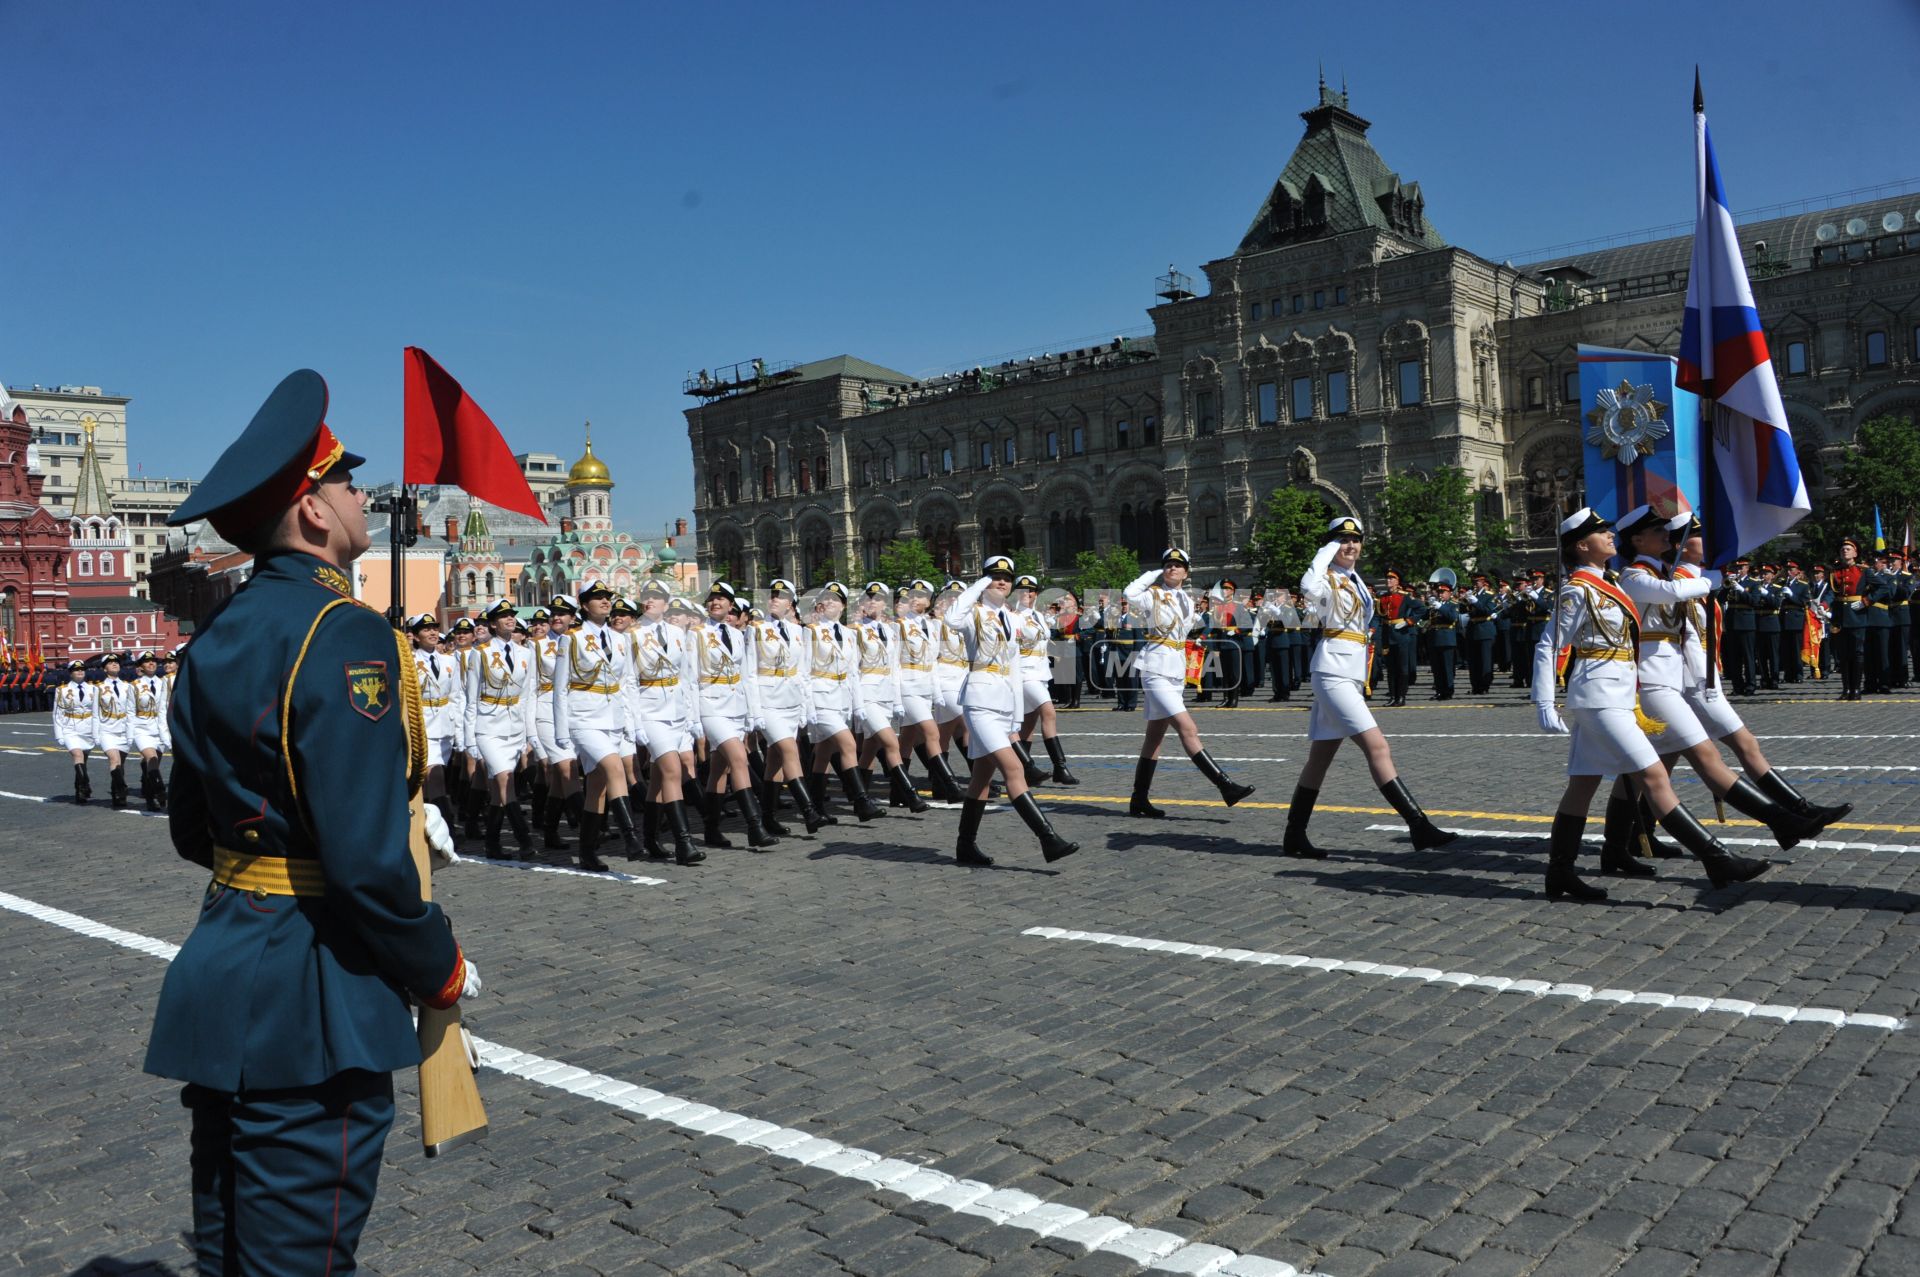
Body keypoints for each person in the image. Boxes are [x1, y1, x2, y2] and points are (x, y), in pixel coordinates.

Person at [145, 369, 475, 1273]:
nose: (361, 495)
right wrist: (436, 962)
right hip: (313, 996)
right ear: (314, 512)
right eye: (345, 480)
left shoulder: (214, 637)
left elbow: (189, 830)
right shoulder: (345, 632)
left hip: (226, 970)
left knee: (231, 1254)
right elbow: (366, 863)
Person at [1530, 507, 1767, 901]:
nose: (1610, 537)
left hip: (1619, 695)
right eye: (1601, 533)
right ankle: (1717, 858)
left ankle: (1560, 873)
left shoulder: (1609, 582)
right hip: (1599, 696)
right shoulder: (1578, 589)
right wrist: (1543, 701)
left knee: (1583, 786)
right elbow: (1548, 643)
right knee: (1655, 776)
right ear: (1582, 546)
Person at [1602, 506, 1842, 877]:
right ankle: (1779, 822)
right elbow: (1675, 591)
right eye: (1657, 530)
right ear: (1636, 539)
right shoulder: (1635, 575)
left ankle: (1620, 845)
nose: (1667, 536)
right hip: (1651, 683)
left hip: (1674, 682)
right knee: (1703, 756)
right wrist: (1710, 575)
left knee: (1645, 771)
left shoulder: (1662, 572)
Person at [1283, 518, 1455, 858]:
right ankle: (1418, 825)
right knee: (1377, 747)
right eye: (1342, 540)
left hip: (1349, 670)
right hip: (1332, 670)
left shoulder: (1356, 580)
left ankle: (1294, 835)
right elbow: (1307, 585)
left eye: (1355, 540)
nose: (1350, 546)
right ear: (1331, 545)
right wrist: (1325, 551)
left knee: (1319, 759)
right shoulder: (1325, 578)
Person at [946, 555, 1080, 866]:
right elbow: (951, 618)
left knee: (981, 777)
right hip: (980, 702)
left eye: (1006, 577)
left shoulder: (1009, 617)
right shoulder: (973, 613)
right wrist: (978, 585)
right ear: (983, 580)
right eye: (994, 576)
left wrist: (1015, 718)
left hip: (1003, 703)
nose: (1002, 581)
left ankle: (965, 846)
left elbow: (1016, 667)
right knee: (1014, 770)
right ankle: (1048, 839)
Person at [1121, 548, 1256, 818]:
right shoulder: (1152, 595)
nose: (1172, 568)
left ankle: (1139, 799)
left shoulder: (1186, 599)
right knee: (1188, 727)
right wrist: (1154, 573)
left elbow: (1190, 626)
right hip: (1155, 669)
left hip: (1175, 671)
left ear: (1186, 572)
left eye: (1177, 565)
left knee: (1154, 738)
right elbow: (1128, 594)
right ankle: (1225, 785)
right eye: (1167, 564)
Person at [550, 581, 633, 869]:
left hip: (612, 718)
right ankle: (631, 836)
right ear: (584, 605)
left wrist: (630, 724)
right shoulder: (571, 639)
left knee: (597, 785)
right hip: (583, 718)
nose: (605, 602)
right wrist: (562, 732)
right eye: (597, 598)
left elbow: (626, 684)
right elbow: (559, 688)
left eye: (607, 597)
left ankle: (586, 851)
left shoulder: (621, 639)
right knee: (614, 767)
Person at [692, 582, 782, 848]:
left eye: (722, 599)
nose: (716, 602)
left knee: (719, 769)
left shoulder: (738, 635)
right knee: (739, 757)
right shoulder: (696, 634)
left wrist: (752, 712)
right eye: (712, 598)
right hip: (710, 705)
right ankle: (754, 826)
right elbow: (688, 678)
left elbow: (747, 676)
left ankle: (711, 829)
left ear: (732, 605)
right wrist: (693, 718)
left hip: (735, 707)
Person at [462, 599, 539, 858]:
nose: (510, 619)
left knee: (499, 790)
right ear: (493, 623)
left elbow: (528, 697)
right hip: (488, 726)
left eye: (512, 616)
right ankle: (525, 840)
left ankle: (492, 844)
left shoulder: (526, 653)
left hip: (514, 725)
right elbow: (471, 699)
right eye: (503, 616)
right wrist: (470, 740)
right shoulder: (480, 653)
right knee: (505, 780)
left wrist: (530, 734)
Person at [804, 581, 886, 822]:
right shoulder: (810, 631)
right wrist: (808, 707)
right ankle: (860, 801)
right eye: (825, 598)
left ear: (842, 605)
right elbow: (804, 671)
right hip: (820, 696)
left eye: (835, 599)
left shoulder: (850, 634)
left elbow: (853, 672)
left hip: (841, 698)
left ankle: (817, 806)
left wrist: (857, 705)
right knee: (849, 746)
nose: (829, 602)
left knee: (823, 752)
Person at [750, 578, 828, 832]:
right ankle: (809, 811)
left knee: (775, 759)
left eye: (781, 596)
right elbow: (750, 672)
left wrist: (806, 707)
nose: (774, 598)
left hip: (791, 701)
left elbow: (803, 672)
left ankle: (768, 818)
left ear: (791, 605)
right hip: (768, 701)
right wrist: (754, 710)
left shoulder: (798, 632)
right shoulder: (757, 629)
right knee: (789, 750)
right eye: (772, 595)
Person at [896, 578, 966, 803]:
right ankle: (950, 786)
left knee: (907, 738)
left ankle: (897, 792)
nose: (916, 598)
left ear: (929, 601)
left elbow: (934, 660)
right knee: (932, 733)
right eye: (912, 595)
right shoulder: (898, 625)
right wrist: (896, 696)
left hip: (925, 685)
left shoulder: (931, 625)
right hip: (907, 684)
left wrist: (935, 692)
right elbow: (892, 662)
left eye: (922, 595)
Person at [1012, 574, 1079, 785]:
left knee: (1029, 723)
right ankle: (1060, 767)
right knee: (1048, 712)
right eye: (1022, 590)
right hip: (1023, 672)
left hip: (1040, 672)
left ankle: (1024, 770)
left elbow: (1043, 639)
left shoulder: (1038, 616)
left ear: (1036, 594)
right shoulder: (1011, 615)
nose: (1026, 594)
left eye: (1030, 590)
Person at [1830, 537, 1874, 700]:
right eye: (1843, 549)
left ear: (1855, 553)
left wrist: (1866, 601)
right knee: (1843, 654)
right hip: (1840, 617)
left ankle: (1856, 689)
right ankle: (1846, 689)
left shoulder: (1863, 571)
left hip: (1857, 616)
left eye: (1848, 548)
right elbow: (1831, 593)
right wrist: (1825, 606)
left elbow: (1883, 587)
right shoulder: (1835, 572)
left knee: (1857, 653)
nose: (1845, 551)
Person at [129, 649, 172, 810]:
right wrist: (130, 734)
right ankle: (160, 790)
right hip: (142, 728)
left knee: (153, 766)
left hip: (160, 728)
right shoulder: (134, 686)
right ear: (141, 666)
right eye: (147, 661)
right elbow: (130, 711)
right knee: (151, 758)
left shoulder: (164, 683)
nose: (151, 663)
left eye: (153, 660)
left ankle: (148, 797)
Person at [52, 658, 97, 803]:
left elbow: (98, 712)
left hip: (88, 727)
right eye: (76, 670)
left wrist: (98, 732)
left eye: (82, 670)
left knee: (84, 759)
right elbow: (57, 714)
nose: (80, 672)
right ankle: (84, 784)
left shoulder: (94, 689)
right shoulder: (62, 690)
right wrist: (59, 734)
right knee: (77, 755)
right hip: (70, 727)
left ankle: (79, 788)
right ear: (70, 673)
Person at [1374, 570, 1420, 707]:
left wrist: (1409, 621)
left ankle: (1401, 696)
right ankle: (1393, 696)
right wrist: (1372, 630)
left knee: (1402, 667)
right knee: (1390, 668)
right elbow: (1378, 616)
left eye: (1391, 578)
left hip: (1401, 635)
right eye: (1387, 578)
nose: (1388, 581)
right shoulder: (1382, 597)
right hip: (1387, 635)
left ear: (1397, 581)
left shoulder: (1405, 596)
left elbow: (1421, 609)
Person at [1463, 574, 1498, 694]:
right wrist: (1465, 600)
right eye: (1474, 581)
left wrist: (1476, 602)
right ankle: (1475, 685)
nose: (1475, 583)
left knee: (1485, 660)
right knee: (1473, 661)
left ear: (1484, 582)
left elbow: (1488, 611)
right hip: (1472, 630)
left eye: (1477, 581)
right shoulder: (1472, 595)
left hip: (1484, 630)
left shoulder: (1490, 595)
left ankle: (1484, 686)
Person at [1425, 581, 1461, 700]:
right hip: (1434, 638)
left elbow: (1452, 617)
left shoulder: (1453, 604)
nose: (1440, 594)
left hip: (1446, 639)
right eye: (1439, 592)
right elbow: (1426, 618)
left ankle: (1448, 691)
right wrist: (1427, 606)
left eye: (1443, 592)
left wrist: (1441, 607)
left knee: (1447, 667)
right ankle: (1439, 690)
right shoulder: (1435, 604)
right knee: (1437, 668)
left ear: (1450, 593)